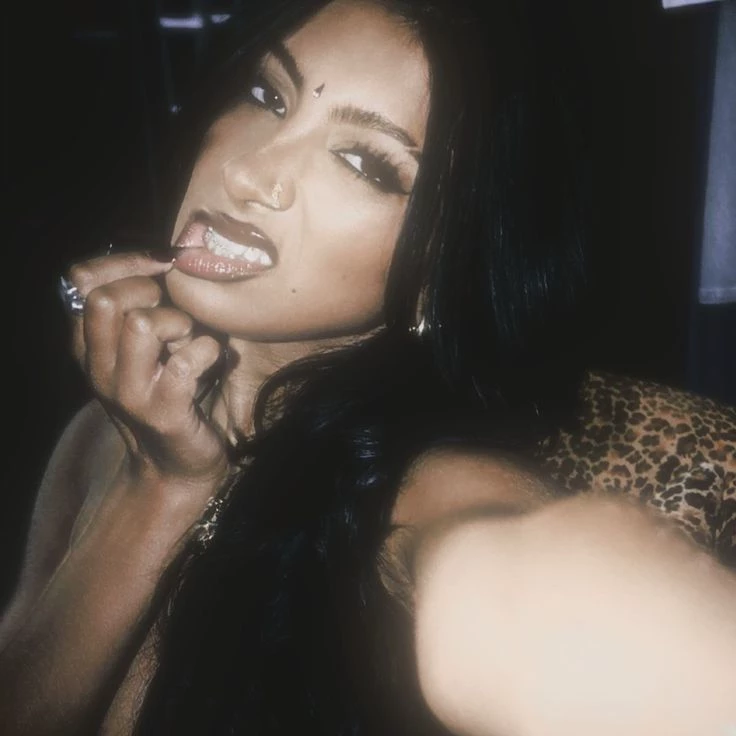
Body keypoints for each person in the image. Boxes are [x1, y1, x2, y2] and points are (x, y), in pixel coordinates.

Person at [1, 0, 735, 734]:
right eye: (267, 95)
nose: (249, 172)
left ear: (442, 273)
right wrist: (157, 487)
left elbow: (542, 598)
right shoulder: (109, 424)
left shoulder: (420, 499)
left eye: (366, 163)